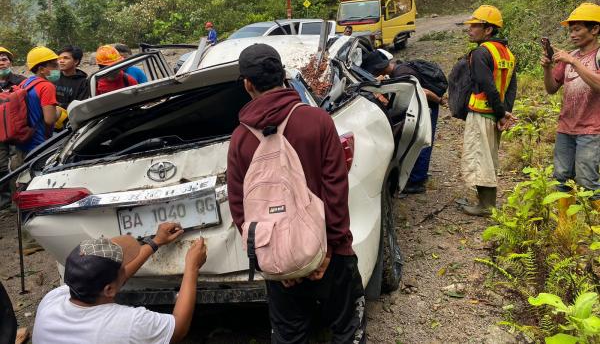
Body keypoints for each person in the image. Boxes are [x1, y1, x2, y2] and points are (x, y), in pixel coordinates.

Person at [227, 44, 366, 344]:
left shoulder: (239, 139)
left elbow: (240, 208)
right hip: (330, 254)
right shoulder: (316, 120)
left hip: (278, 262)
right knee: (346, 330)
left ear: (247, 84)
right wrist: (329, 250)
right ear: (283, 76)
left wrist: (274, 258)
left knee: (290, 335)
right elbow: (335, 189)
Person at [32, 222, 207, 344]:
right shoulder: (127, 324)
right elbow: (179, 329)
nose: (126, 268)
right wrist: (192, 267)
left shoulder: (52, 299)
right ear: (108, 289)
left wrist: (156, 242)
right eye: (122, 266)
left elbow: (117, 278)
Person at [459, 5, 517, 216]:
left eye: (475, 25)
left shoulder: (481, 53)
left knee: (479, 156)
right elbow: (511, 87)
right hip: (495, 114)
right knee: (489, 156)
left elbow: (487, 86)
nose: (470, 29)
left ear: (488, 30)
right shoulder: (508, 53)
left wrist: (501, 114)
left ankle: (486, 206)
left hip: (482, 113)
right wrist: (504, 113)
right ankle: (487, 202)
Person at [362, 51, 445, 194]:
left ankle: (416, 182)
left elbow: (423, 92)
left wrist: (440, 100)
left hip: (428, 106)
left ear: (378, 68)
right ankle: (419, 174)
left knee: (422, 141)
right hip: (425, 105)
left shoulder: (402, 73)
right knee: (420, 140)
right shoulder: (398, 69)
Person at [541, 2, 600, 195]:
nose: (572, 34)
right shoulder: (570, 56)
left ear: (595, 29)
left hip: (592, 130)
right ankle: (565, 226)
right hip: (566, 128)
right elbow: (551, 89)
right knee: (561, 180)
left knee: (588, 182)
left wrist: (574, 62)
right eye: (570, 31)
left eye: (577, 29)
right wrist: (547, 68)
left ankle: (594, 225)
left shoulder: (596, 55)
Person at [16, 47, 62, 159]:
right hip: (38, 146)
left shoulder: (24, 83)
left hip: (23, 143)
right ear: (41, 69)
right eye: (54, 65)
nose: (58, 68)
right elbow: (49, 119)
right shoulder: (47, 86)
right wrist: (59, 112)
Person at [0, 47, 25, 208]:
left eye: (4, 59)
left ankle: (19, 201)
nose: (1, 63)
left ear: (10, 62)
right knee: (1, 165)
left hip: (17, 130)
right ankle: (5, 202)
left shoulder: (21, 81)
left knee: (18, 165)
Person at [55, 45, 89, 109]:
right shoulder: (53, 77)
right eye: (59, 58)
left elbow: (79, 106)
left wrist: (58, 105)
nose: (61, 61)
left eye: (66, 58)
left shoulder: (83, 83)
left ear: (76, 61)